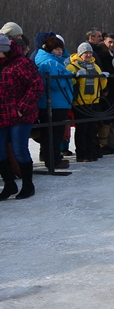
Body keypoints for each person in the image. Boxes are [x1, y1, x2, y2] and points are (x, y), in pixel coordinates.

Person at [0, 35, 44, 200]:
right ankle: (9, 184)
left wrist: (22, 108)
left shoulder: (22, 63)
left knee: (19, 149)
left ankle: (28, 184)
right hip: (2, 114)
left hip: (20, 115)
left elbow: (37, 85)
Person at [35, 35, 73, 170]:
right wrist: (68, 76)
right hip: (54, 103)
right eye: (57, 49)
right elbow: (54, 83)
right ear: (50, 49)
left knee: (53, 133)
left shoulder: (54, 62)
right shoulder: (50, 63)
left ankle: (52, 158)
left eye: (61, 49)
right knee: (54, 133)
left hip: (57, 102)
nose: (60, 52)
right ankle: (54, 160)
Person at [67, 42, 108, 162]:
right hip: (80, 102)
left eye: (90, 52)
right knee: (82, 129)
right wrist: (76, 77)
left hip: (93, 101)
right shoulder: (72, 67)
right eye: (86, 53)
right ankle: (81, 153)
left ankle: (90, 152)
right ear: (80, 54)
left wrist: (104, 79)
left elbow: (101, 85)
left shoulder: (95, 66)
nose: (89, 55)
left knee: (91, 128)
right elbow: (69, 83)